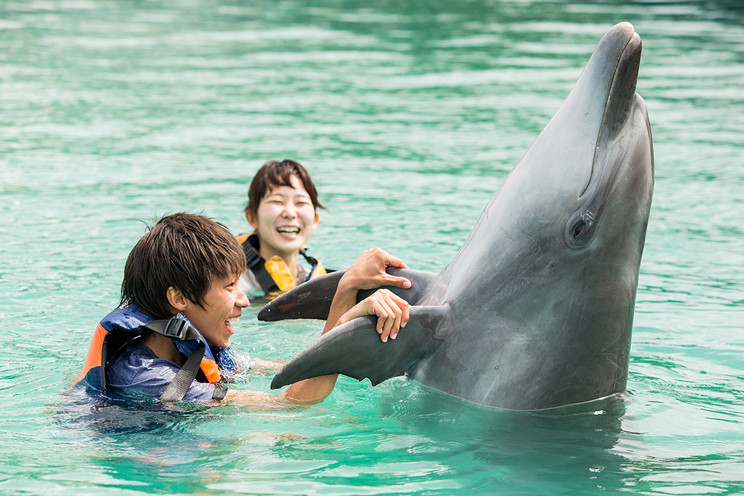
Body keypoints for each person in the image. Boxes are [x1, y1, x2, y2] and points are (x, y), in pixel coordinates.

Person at [73, 213, 411, 406]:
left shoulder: (194, 349)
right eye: (229, 286)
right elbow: (291, 405)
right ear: (179, 298)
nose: (244, 300)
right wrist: (345, 301)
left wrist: (356, 324)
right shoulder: (149, 377)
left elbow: (289, 371)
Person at [237, 159, 327, 298]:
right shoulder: (233, 284)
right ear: (252, 218)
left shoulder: (316, 281)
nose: (290, 213)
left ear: (315, 219)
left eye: (301, 202)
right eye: (277, 201)